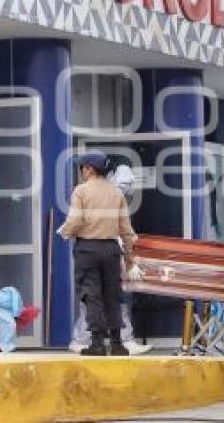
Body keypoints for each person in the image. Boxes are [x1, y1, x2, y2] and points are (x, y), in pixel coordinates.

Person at [58, 151, 137, 356]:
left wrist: (65, 232)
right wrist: (130, 259)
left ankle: (97, 344)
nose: (81, 171)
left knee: (92, 295)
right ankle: (118, 343)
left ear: (90, 169)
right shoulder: (116, 193)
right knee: (113, 294)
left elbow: (75, 221)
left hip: (88, 249)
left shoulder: (81, 191)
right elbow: (126, 229)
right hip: (111, 249)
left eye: (82, 167)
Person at [69, 164, 152, 355]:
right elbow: (120, 229)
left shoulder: (98, 194)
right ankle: (112, 340)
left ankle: (99, 340)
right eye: (126, 186)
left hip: (100, 251)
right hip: (107, 251)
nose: (127, 191)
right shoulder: (107, 195)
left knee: (98, 298)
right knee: (99, 298)